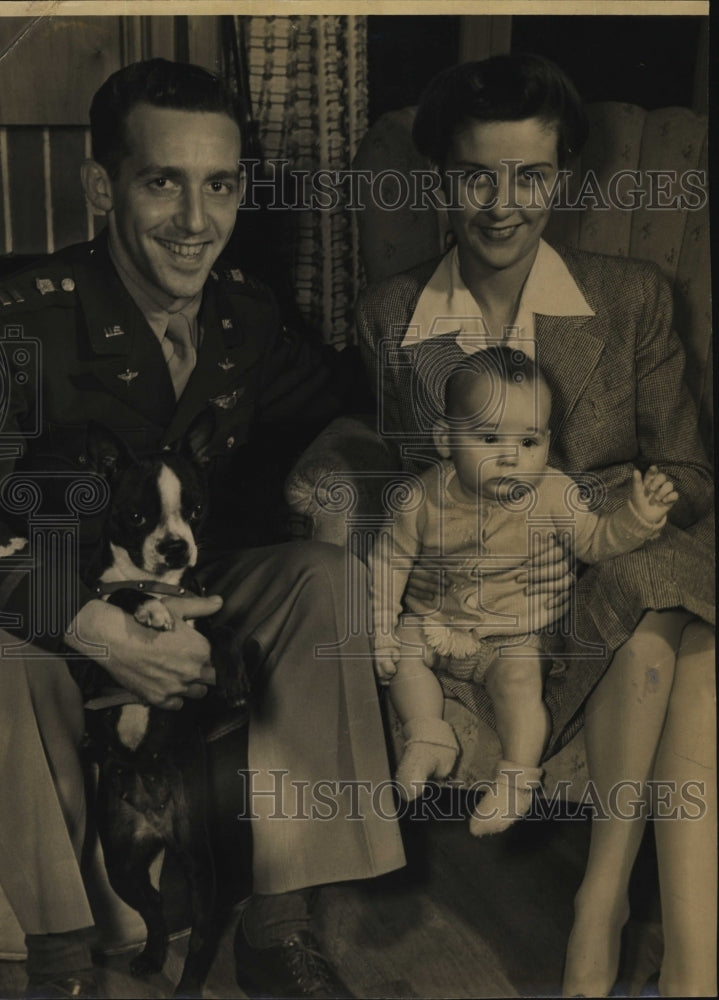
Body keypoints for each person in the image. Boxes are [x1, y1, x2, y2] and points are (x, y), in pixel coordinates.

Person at [0, 58, 411, 999]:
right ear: (103, 186)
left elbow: (340, 399)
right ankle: (60, 963)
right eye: (162, 180)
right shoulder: (8, 326)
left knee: (317, 580)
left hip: (185, 590)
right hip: (52, 619)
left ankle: (276, 928)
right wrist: (94, 626)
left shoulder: (243, 317)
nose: (194, 219)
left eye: (218, 185)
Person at [356, 53, 715, 998]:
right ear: (441, 177)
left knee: (661, 596)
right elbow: (408, 483)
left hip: (617, 557)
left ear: (563, 176)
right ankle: (670, 953)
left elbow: (687, 470)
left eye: (531, 175)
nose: (502, 203)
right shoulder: (394, 315)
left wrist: (606, 511)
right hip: (487, 604)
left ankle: (603, 907)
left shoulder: (630, 296)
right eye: (477, 174)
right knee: (691, 653)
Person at [372, 346, 678, 836]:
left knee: (520, 689)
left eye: (529, 441)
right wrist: (382, 629)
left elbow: (597, 541)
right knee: (403, 660)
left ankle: (516, 779)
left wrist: (636, 519)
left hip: (517, 634)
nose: (512, 457)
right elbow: (389, 562)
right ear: (446, 439)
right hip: (437, 622)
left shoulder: (555, 493)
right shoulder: (421, 498)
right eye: (490, 437)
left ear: (547, 441)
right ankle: (428, 736)